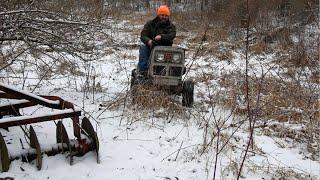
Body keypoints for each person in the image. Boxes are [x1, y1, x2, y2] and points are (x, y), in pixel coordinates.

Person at [137, 5, 176, 74]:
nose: (164, 17)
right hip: (152, 47)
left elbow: (172, 35)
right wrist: (149, 41)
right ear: (158, 15)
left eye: (166, 15)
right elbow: (143, 35)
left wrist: (161, 36)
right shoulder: (150, 24)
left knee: (177, 56)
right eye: (162, 15)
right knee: (143, 48)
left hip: (166, 49)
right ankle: (143, 72)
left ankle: (174, 73)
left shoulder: (171, 26)